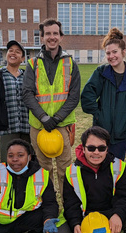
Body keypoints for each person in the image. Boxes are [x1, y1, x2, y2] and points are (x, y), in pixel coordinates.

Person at [22, 18, 81, 196]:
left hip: (62, 126)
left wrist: (56, 118)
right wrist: (44, 117)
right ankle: (46, 205)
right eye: (48, 34)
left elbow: (74, 96)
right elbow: (27, 94)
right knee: (43, 169)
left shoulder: (70, 63)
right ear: (42, 37)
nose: (52, 37)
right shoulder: (32, 64)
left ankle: (67, 204)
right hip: (39, 126)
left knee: (65, 169)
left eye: (55, 33)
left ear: (61, 37)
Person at [81, 27, 126, 160]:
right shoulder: (101, 73)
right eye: (108, 53)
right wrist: (98, 115)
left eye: (114, 52)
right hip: (99, 134)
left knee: (116, 170)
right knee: (98, 170)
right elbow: (87, 96)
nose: (111, 56)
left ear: (123, 52)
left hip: (121, 136)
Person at [0, 40, 30, 162]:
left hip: (28, 127)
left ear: (23, 58)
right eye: (10, 51)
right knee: (8, 161)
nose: (13, 53)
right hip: (7, 128)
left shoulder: (28, 76)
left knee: (28, 161)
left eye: (17, 52)